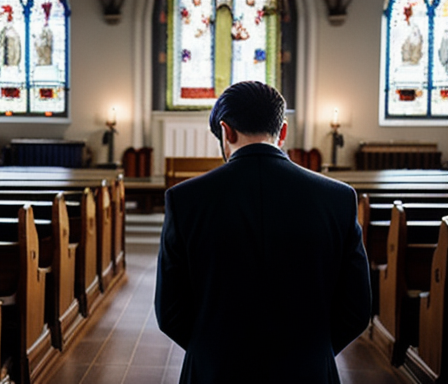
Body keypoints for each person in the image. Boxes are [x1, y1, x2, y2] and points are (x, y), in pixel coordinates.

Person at [154, 81, 371, 384]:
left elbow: (170, 311)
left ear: (226, 131)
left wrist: (213, 352)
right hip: (308, 372)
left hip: (214, 372)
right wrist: (311, 352)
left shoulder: (184, 199)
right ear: (283, 132)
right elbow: (357, 308)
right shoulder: (338, 198)